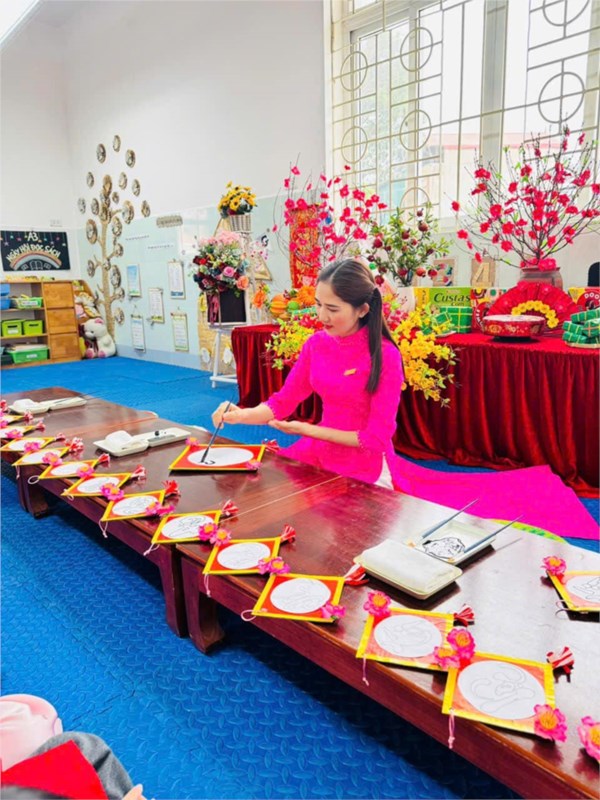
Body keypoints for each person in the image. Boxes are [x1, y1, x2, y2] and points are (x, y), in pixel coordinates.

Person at [213, 259, 597, 539]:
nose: (321, 316)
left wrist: (306, 429)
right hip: (319, 450)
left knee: (343, 535)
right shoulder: (316, 344)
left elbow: (374, 440)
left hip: (364, 463)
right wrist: (239, 415)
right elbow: (281, 402)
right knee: (261, 513)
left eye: (332, 309)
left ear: (363, 309)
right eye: (318, 304)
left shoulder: (385, 356)